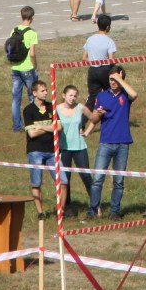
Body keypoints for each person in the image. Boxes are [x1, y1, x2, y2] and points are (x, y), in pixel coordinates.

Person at [86, 65, 138, 220]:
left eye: (115, 79)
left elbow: (134, 94)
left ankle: (115, 211)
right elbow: (94, 119)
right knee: (97, 179)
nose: (113, 82)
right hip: (106, 142)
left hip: (123, 143)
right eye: (110, 79)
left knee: (119, 181)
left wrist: (120, 79)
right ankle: (93, 210)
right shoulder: (102, 96)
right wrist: (97, 114)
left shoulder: (125, 95)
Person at [55, 85, 94, 216]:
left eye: (74, 96)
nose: (72, 98)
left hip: (79, 146)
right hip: (64, 148)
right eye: (70, 95)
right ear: (64, 95)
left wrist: (87, 131)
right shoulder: (56, 109)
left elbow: (94, 118)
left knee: (86, 176)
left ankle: (95, 205)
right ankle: (67, 207)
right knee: (65, 179)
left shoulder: (80, 107)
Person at [23, 80, 56, 218]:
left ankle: (61, 211)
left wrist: (41, 127)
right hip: (35, 150)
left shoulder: (51, 107)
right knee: (36, 183)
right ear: (34, 93)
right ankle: (40, 212)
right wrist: (50, 127)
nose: (46, 92)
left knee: (63, 181)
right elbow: (32, 133)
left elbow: (58, 127)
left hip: (52, 150)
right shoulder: (28, 110)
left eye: (46, 90)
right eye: (43, 90)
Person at [9, 5, 39, 132]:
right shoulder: (32, 33)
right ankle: (33, 123)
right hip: (27, 68)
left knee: (16, 99)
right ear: (32, 17)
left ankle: (17, 126)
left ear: (21, 16)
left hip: (15, 67)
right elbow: (32, 53)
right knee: (33, 96)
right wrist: (35, 66)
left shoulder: (14, 30)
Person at [83, 14, 118, 111]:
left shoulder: (90, 39)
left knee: (91, 97)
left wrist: (93, 62)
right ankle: (110, 113)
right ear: (108, 27)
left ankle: (84, 118)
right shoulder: (109, 41)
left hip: (92, 71)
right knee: (110, 93)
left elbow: (84, 58)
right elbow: (111, 60)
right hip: (105, 70)